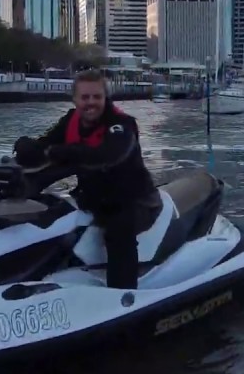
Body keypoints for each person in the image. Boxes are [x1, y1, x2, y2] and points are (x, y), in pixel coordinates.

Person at [12, 68, 161, 290]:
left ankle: (123, 295)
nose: (91, 103)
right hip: (93, 198)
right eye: (85, 97)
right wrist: (26, 148)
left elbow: (109, 155)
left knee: (118, 230)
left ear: (105, 98)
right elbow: (46, 145)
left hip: (134, 201)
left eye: (97, 97)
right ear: (74, 99)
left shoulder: (121, 125)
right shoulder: (71, 120)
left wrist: (61, 152)